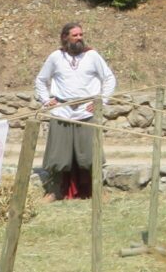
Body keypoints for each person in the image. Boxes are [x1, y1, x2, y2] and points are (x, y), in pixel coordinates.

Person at [34, 22, 117, 202]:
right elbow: (41, 80)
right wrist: (46, 100)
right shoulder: (56, 57)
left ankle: (97, 191)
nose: (79, 38)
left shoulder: (92, 56)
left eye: (81, 35)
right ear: (65, 37)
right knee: (58, 155)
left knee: (90, 154)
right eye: (75, 35)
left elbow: (109, 78)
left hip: (86, 112)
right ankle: (55, 191)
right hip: (61, 112)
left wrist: (101, 101)